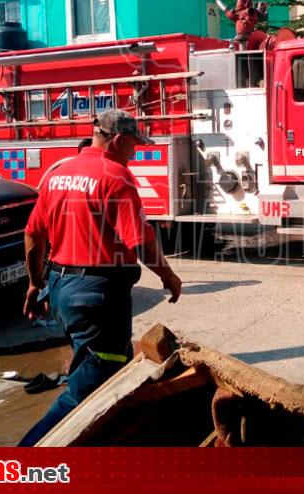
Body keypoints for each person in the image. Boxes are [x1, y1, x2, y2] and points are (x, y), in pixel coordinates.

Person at [18, 110, 183, 446]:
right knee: (88, 392)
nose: (134, 153)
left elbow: (34, 236)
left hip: (63, 289)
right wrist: (169, 276)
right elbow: (140, 241)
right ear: (118, 140)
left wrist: (36, 283)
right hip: (96, 298)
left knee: (112, 365)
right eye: (133, 146)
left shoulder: (58, 174)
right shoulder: (116, 177)